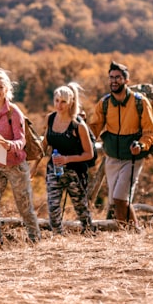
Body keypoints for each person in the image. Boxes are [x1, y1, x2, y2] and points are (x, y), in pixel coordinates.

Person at [87, 61, 153, 231]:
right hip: (111, 157)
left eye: (118, 77)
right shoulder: (104, 103)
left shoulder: (140, 102)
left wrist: (140, 146)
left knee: (120, 198)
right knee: (116, 201)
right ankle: (129, 233)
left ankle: (132, 233)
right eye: (111, 77)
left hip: (132, 157)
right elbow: (93, 129)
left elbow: (150, 131)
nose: (114, 81)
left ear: (126, 80)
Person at [0, 68, 40, 246]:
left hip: (15, 164)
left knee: (24, 207)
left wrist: (9, 145)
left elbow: (22, 139)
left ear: (6, 89)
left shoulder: (14, 112)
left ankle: (35, 241)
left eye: (0, 87)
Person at [45, 84, 95, 235]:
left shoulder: (78, 125)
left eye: (63, 102)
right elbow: (44, 143)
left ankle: (89, 233)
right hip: (53, 169)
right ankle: (58, 237)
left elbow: (89, 154)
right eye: (57, 100)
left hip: (75, 172)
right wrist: (33, 167)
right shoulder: (50, 118)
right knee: (53, 207)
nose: (59, 105)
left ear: (71, 102)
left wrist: (67, 159)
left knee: (80, 207)